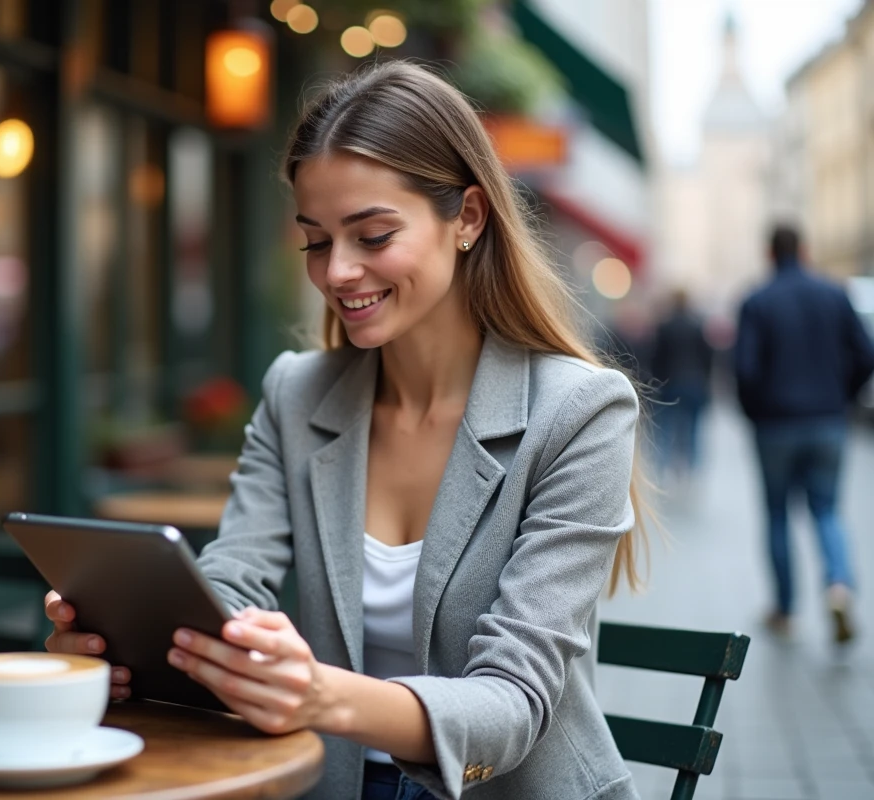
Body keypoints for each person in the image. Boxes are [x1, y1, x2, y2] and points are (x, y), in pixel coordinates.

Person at [45, 62, 645, 800]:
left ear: (468, 218)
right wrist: (140, 646)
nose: (337, 271)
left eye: (372, 234)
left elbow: (513, 705)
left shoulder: (579, 412)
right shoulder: (296, 394)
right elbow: (234, 581)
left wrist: (321, 696)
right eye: (316, 242)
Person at [735, 224, 874, 644]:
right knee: (827, 510)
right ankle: (838, 585)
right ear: (806, 249)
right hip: (828, 422)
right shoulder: (835, 295)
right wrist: (841, 397)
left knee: (777, 515)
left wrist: (756, 413)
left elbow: (744, 369)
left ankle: (784, 608)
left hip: (775, 426)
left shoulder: (757, 301)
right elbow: (867, 355)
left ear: (769, 253)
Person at [649, 289, 714, 477]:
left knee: (667, 428)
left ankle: (664, 468)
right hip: (695, 383)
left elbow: (657, 357)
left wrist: (657, 381)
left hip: (670, 383)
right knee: (693, 429)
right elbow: (708, 356)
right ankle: (692, 469)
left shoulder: (665, 326)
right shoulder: (698, 325)